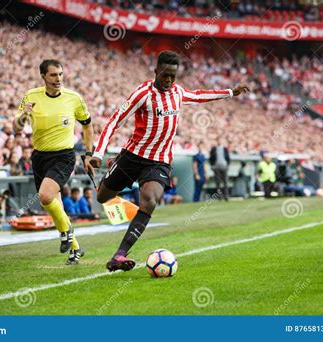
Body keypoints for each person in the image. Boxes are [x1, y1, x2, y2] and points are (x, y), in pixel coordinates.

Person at [87, 51, 249, 272]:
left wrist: (230, 92)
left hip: (159, 161)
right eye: (165, 76)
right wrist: (98, 153)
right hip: (133, 156)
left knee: (150, 201)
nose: (169, 81)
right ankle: (117, 168)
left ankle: (120, 255)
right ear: (156, 71)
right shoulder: (142, 94)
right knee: (103, 196)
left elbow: (200, 95)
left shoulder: (178, 92)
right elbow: (115, 120)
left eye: (173, 76)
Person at [14, 59, 95, 265]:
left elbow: (87, 125)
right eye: (53, 75)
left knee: (45, 196)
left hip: (64, 156)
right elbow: (17, 127)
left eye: (60, 74)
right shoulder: (31, 96)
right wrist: (24, 116)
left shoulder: (74, 98)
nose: (58, 79)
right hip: (39, 156)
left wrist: (88, 154)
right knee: (51, 203)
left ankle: (66, 231)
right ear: (43, 77)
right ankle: (75, 249)